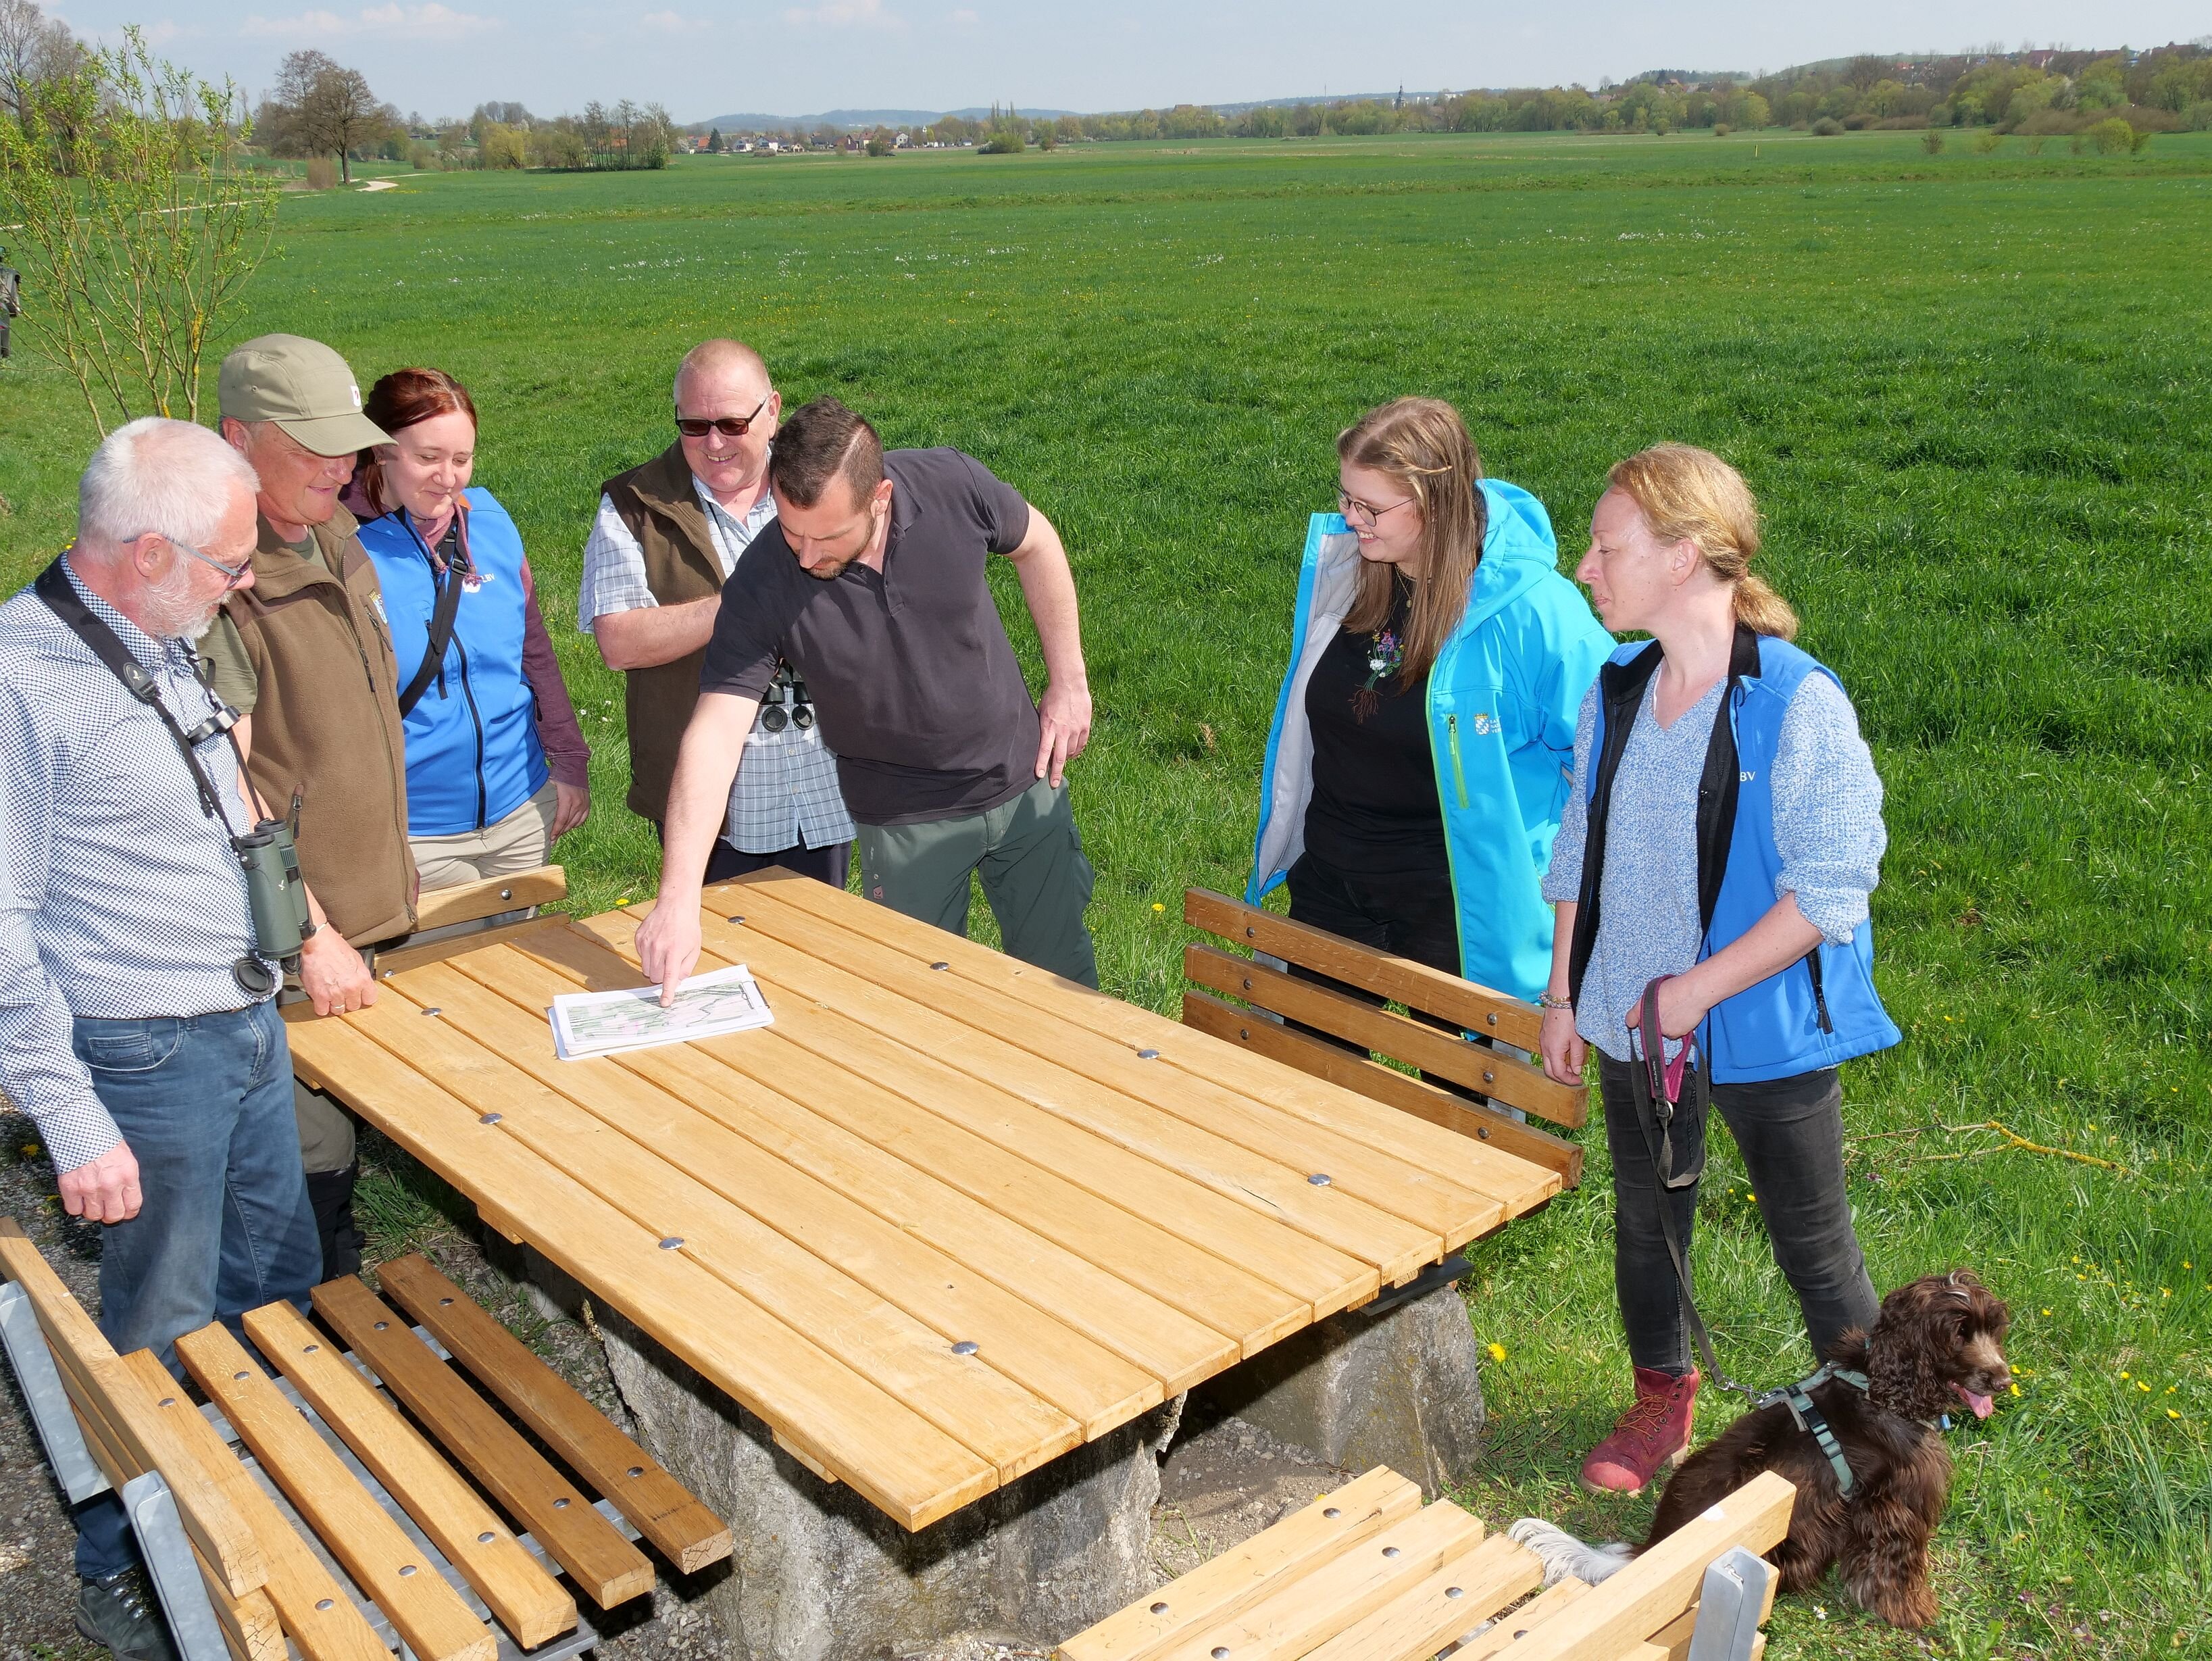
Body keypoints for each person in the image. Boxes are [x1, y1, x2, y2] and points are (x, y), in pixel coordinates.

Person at [0, 419, 322, 1661]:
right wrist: (71, 1115)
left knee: (276, 1285)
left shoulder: (164, 632)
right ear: (146, 552)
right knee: (159, 1321)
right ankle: (124, 1571)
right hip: (142, 1055)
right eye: (229, 566)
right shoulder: (24, 678)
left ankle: (258, 1504)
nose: (243, 586)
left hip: (241, 1021)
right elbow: (4, 918)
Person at [1538, 443, 1901, 1496]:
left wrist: (1693, 991)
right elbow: (1576, 844)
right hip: (1625, 1020)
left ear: (1686, 556)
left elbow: (1832, 888)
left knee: (1814, 1246)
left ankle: (1877, 1440)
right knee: (1647, 1223)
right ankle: (1661, 1398)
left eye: (1606, 548)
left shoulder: (1793, 701)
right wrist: (1566, 994)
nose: (1585, 569)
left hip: (1758, 1029)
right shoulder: (1616, 688)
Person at [636, 395, 1097, 999]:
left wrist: (1068, 681)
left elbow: (1037, 544)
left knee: (1067, 988)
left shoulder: (950, 485)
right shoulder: (766, 577)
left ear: (880, 498)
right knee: (921, 1012)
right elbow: (716, 733)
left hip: (1025, 780)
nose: (803, 555)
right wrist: (678, 898)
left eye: (825, 537)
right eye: (790, 530)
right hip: (904, 819)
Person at [1248, 397, 1611, 1074]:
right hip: (1332, 883)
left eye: (1371, 507)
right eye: (1345, 497)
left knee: (1469, 1126)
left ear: (1433, 503)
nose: (1350, 518)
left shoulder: (1534, 611)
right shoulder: (1352, 569)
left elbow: (1611, 763)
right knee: (1303, 1099)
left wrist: (1556, 895)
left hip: (1456, 910)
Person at [201, 332, 409, 1281]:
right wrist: (310, 934)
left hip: (364, 908)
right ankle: (278, 1353)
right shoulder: (217, 583)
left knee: (331, 1146)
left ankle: (327, 1297)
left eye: (347, 443)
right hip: (289, 935)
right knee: (295, 1157)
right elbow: (225, 788)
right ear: (238, 440)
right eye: (312, 445)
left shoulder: (332, 532)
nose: (341, 464)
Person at [580, 339, 853, 887]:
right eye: (694, 425)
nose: (713, 443)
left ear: (772, 411)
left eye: (732, 424)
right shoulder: (635, 503)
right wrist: (748, 600)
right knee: (714, 962)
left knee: (822, 956)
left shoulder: (824, 487)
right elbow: (619, 640)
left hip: (825, 782)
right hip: (714, 804)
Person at [350, 368, 590, 889]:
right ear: (379, 452)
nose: (448, 477)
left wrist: (569, 763)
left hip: (522, 813)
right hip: (416, 836)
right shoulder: (346, 553)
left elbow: (535, 654)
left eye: (462, 459)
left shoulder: (493, 524)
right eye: (427, 457)